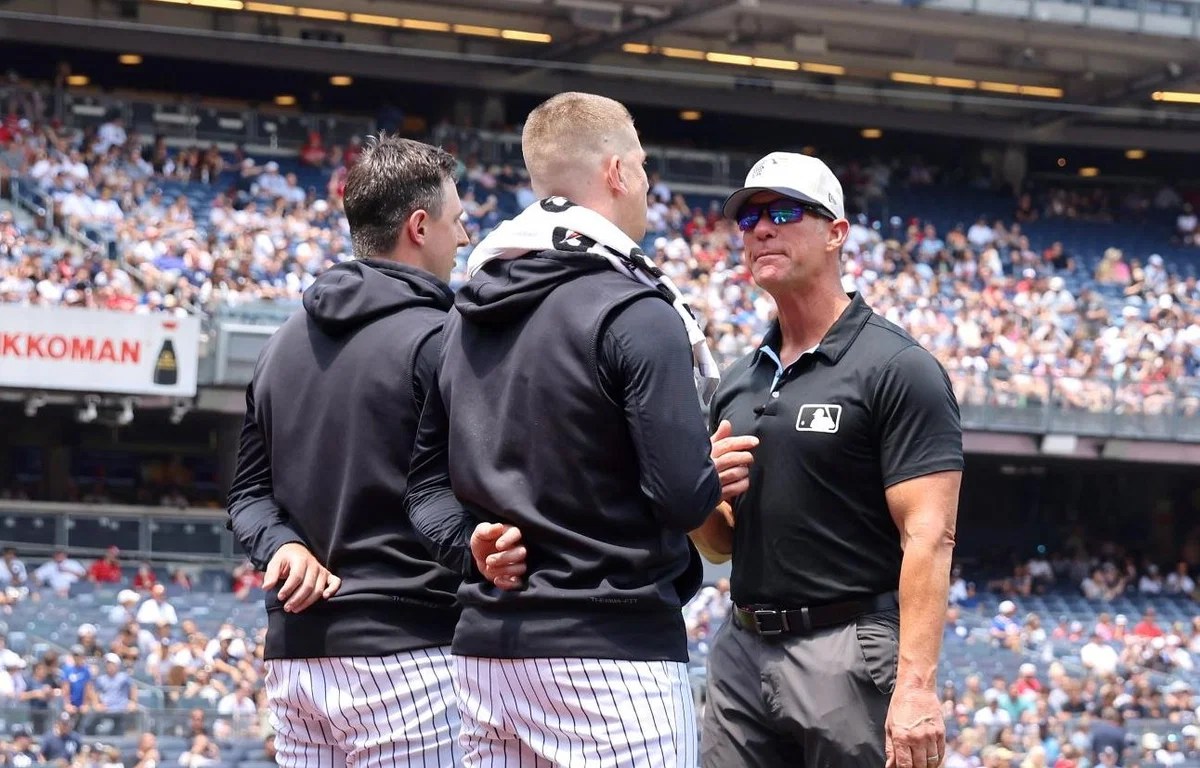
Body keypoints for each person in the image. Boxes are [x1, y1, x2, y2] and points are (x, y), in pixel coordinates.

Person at [406, 91, 732, 766]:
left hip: (487, 656)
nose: (646, 183)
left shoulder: (463, 314)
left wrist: (472, 544)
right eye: (641, 165)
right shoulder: (638, 311)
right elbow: (681, 497)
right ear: (617, 173)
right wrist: (710, 469)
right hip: (612, 657)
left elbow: (423, 492)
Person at [227, 134, 495, 768]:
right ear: (419, 226)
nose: (463, 240)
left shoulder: (281, 344)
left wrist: (284, 545)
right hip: (414, 659)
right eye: (457, 223)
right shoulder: (445, 340)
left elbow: (246, 496)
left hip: (298, 664)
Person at [692, 151, 964, 768]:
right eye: (749, 218)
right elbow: (719, 545)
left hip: (847, 648)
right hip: (741, 646)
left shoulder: (897, 367)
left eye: (784, 212)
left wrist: (916, 687)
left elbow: (929, 535)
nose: (761, 229)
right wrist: (697, 491)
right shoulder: (739, 379)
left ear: (837, 233)